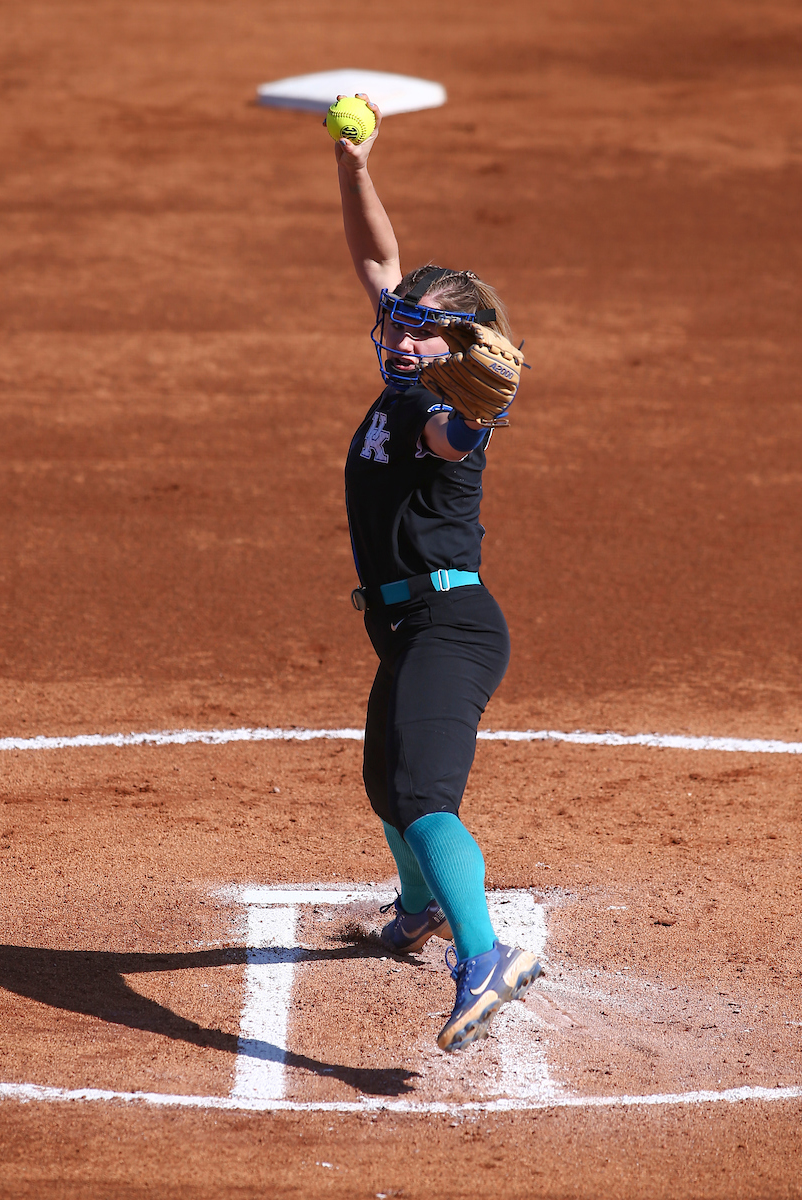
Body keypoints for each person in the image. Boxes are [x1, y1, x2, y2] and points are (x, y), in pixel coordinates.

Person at [329, 96, 544, 1052]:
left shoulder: (438, 413)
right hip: (406, 628)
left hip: (450, 627)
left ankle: (486, 953)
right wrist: (355, 166)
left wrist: (480, 414)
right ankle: (418, 913)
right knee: (386, 785)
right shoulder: (401, 377)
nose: (403, 339)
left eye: (423, 333)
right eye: (401, 326)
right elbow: (377, 261)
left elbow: (455, 439)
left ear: (458, 352)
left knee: (422, 796)